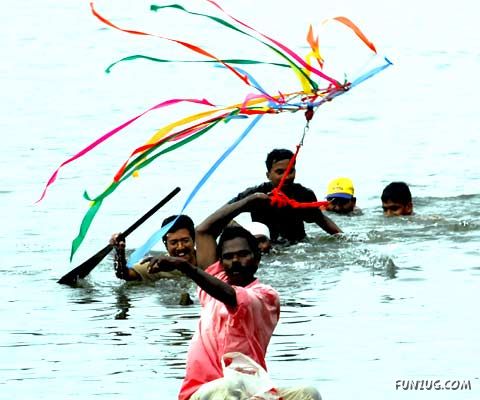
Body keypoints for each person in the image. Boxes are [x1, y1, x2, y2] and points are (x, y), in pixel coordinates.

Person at [147, 194, 322, 400]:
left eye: (243, 254)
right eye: (228, 257)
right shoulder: (214, 280)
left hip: (251, 390)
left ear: (256, 258)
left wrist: (184, 267)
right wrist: (246, 203)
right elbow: (204, 231)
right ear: (222, 262)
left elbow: (232, 297)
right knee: (230, 386)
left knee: (308, 393)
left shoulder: (266, 296)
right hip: (202, 393)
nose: (236, 261)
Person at [229, 148, 341, 243]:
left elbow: (321, 220)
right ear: (268, 175)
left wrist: (343, 237)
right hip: (267, 248)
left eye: (290, 171)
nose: (286, 177)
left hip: (298, 246)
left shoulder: (304, 195)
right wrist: (244, 235)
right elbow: (223, 214)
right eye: (280, 172)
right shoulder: (255, 195)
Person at [110, 214, 197, 282]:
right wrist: (119, 252)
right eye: (174, 243)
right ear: (166, 245)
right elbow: (125, 275)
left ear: (194, 240)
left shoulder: (207, 260)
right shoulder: (158, 266)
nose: (180, 247)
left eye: (185, 241)